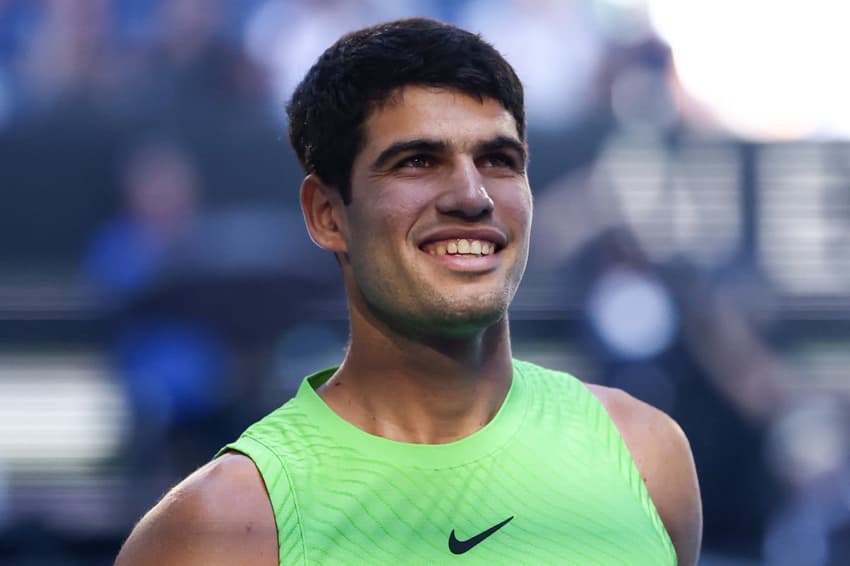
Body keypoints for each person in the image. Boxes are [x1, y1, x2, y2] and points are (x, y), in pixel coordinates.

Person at [115, 18, 702, 565]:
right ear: (327, 215)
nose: (473, 196)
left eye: (498, 159)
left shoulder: (647, 456)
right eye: (418, 161)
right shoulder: (219, 526)